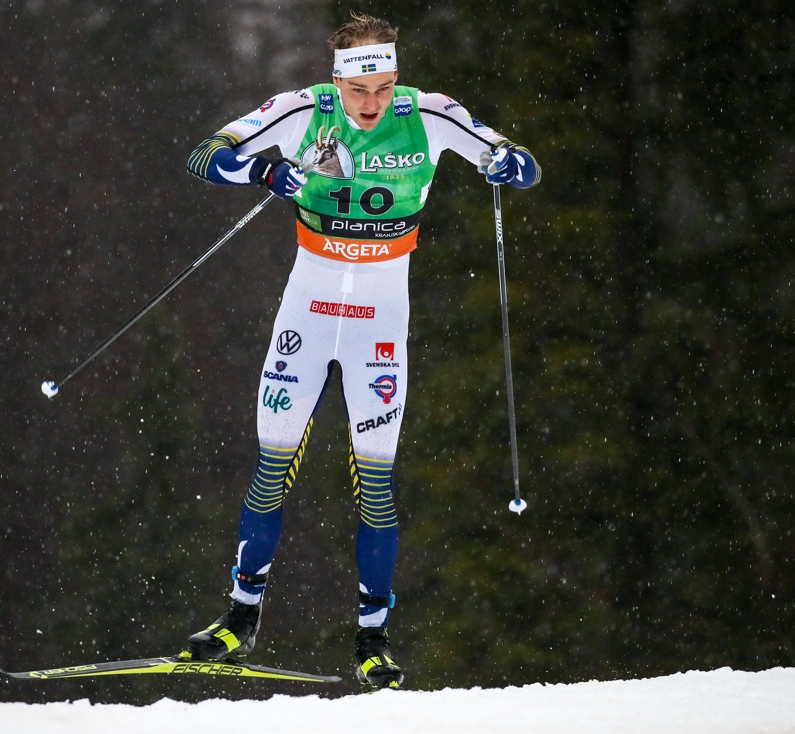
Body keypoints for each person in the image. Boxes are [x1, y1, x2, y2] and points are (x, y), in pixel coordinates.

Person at [182, 12, 540, 689]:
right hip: (308, 309)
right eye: (358, 92)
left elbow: (518, 163)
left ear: (395, 78)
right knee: (271, 466)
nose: (371, 105)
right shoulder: (301, 111)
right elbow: (204, 156)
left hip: (380, 316)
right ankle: (239, 618)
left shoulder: (431, 116)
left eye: (382, 88)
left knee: (375, 488)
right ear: (337, 82)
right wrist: (261, 172)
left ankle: (373, 640)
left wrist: (509, 163)